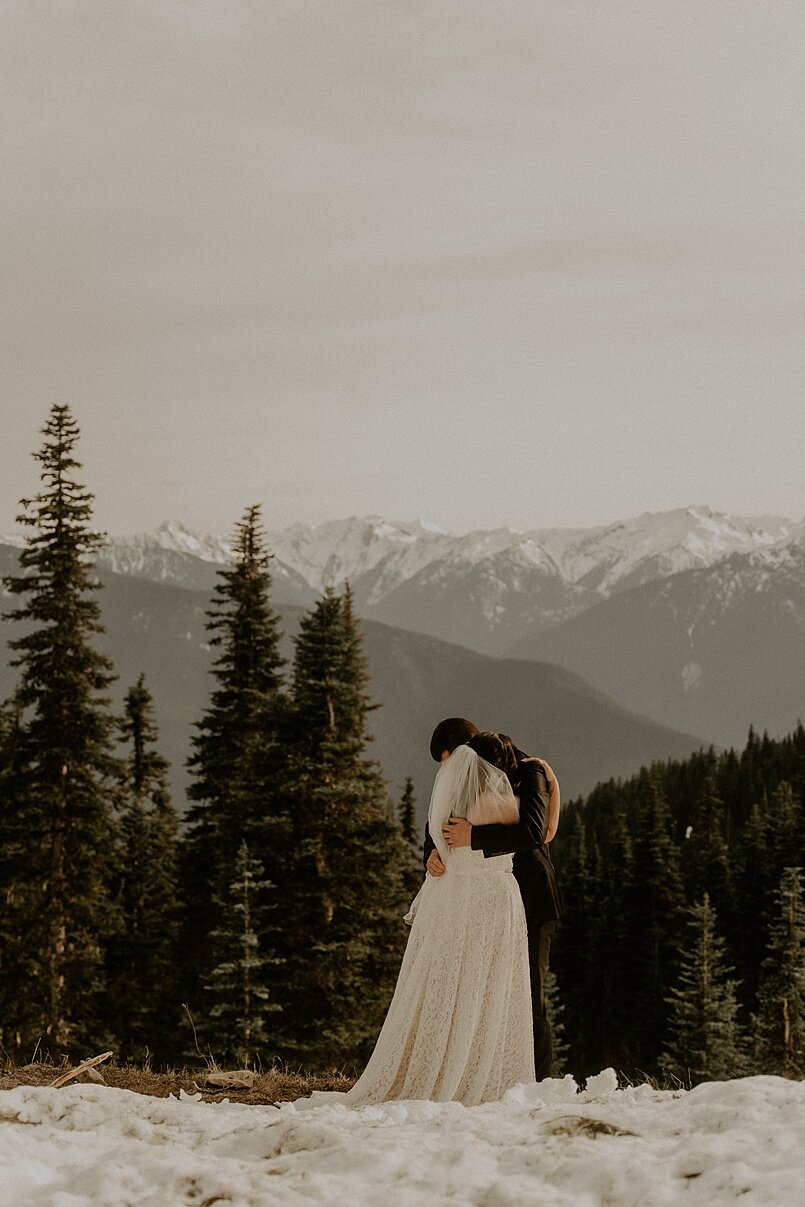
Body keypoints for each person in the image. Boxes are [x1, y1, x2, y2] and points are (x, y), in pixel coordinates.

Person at [301, 733, 535, 1107]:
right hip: (495, 900)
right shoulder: (509, 805)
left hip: (457, 898)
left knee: (448, 984)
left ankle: (436, 1065)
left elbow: (439, 842)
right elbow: (537, 834)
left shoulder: (453, 803)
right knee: (488, 987)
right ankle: (477, 1068)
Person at [423, 717, 562, 1080]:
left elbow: (533, 830)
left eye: (452, 761)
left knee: (530, 995)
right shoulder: (475, 774)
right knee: (489, 993)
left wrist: (474, 837)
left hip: (530, 897)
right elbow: (437, 820)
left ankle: (538, 1082)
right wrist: (431, 853)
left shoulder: (529, 771)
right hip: (490, 902)